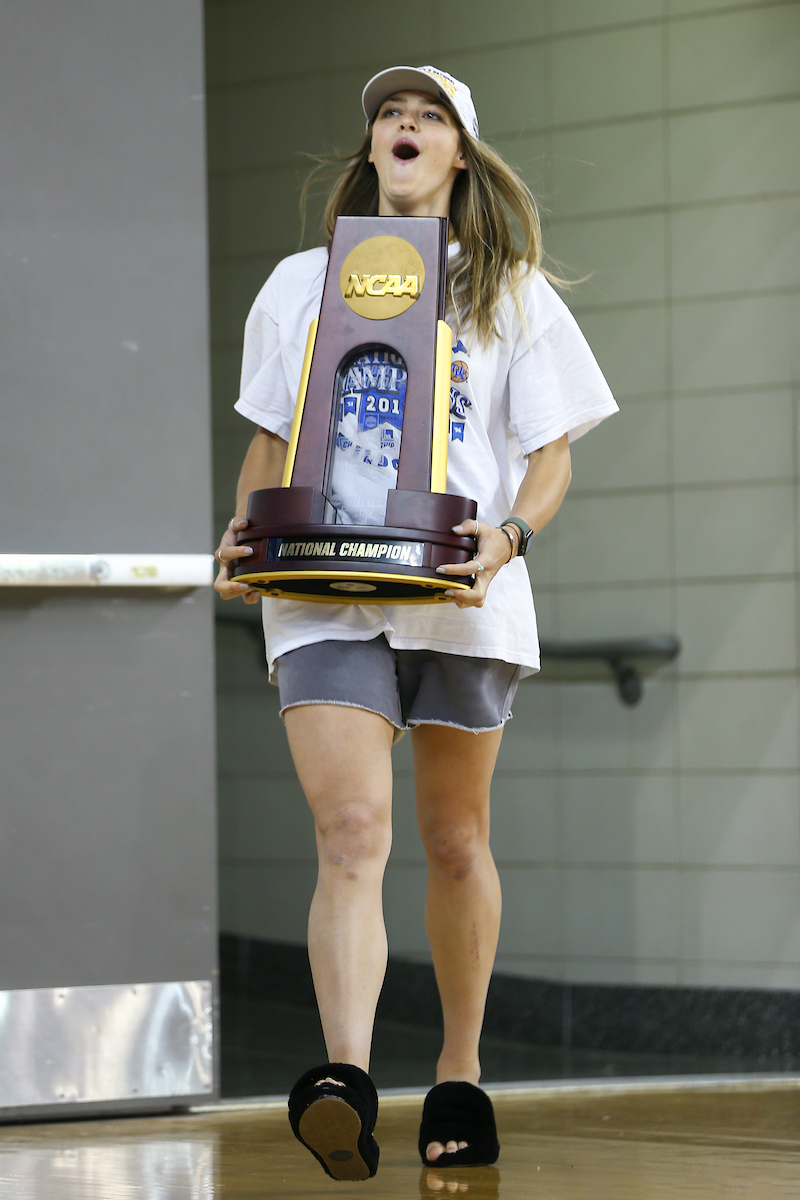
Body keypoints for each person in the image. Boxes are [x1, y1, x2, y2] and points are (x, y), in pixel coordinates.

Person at [214, 65, 618, 1182]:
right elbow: (268, 433)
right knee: (349, 833)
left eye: (427, 115)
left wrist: (510, 538)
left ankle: (458, 1071)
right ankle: (343, 1077)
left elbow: (549, 454)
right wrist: (242, 530)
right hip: (321, 588)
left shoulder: (510, 287)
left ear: (459, 155)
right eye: (390, 112)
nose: (402, 124)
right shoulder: (301, 283)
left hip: (458, 595)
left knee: (453, 841)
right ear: (373, 146)